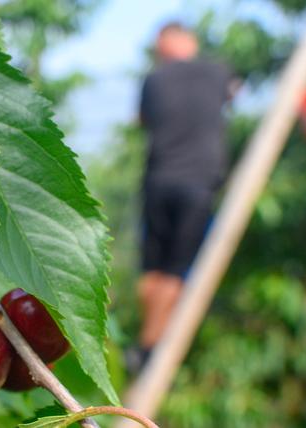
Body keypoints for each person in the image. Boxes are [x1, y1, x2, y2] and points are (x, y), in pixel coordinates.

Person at [135, 22, 237, 363]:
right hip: (198, 183)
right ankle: (150, 346)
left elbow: (142, 120)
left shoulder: (153, 79)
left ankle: (147, 340)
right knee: (178, 270)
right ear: (189, 42)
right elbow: (234, 92)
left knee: (152, 269)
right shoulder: (218, 72)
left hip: (158, 181)